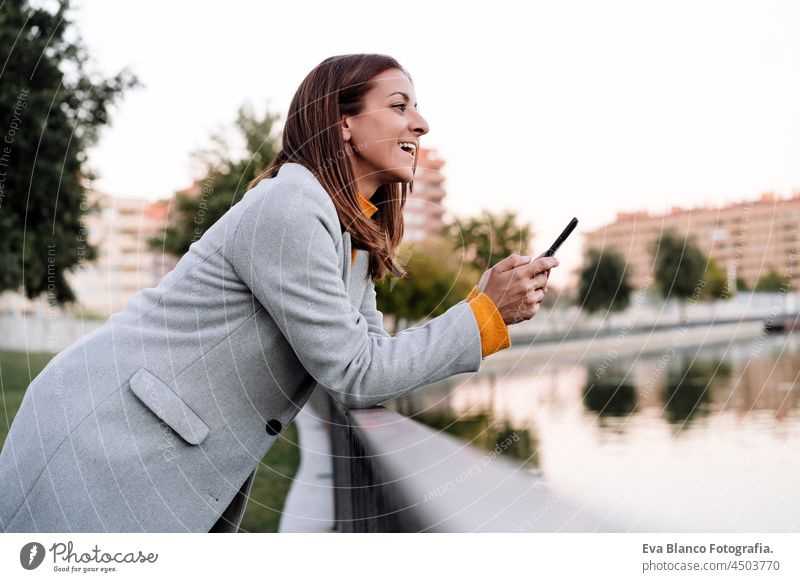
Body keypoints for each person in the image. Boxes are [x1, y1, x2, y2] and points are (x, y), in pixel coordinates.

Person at [0, 53, 559, 533]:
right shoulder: (292, 206)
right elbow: (356, 371)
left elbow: (365, 372)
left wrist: (486, 309)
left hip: (139, 447)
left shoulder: (348, 235)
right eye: (399, 105)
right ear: (343, 123)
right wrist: (483, 313)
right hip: (103, 438)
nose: (422, 124)